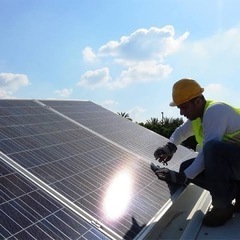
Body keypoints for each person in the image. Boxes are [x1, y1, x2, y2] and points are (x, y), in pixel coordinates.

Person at [152, 78, 240, 227]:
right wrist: (170, 146)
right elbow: (181, 132)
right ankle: (237, 193)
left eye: (184, 107)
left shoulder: (215, 111)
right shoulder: (199, 116)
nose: (181, 112)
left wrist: (184, 177)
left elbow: (208, 153)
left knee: (212, 149)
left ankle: (222, 207)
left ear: (198, 101)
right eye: (179, 108)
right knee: (186, 166)